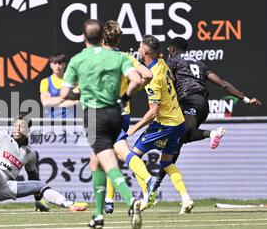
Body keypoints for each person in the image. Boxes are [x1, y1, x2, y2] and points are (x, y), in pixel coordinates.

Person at [151, 37, 263, 199]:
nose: (169, 52)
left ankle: (212, 134)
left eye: (169, 50)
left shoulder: (173, 61)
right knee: (177, 141)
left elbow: (164, 79)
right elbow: (223, 84)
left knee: (179, 135)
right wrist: (246, 99)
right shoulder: (199, 64)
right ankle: (155, 187)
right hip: (203, 105)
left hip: (190, 102)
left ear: (173, 49)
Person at [60, 19, 144, 229]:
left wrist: (76, 94)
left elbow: (66, 93)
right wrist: (125, 98)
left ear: (84, 37)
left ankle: (130, 200)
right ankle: (98, 216)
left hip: (96, 116)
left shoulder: (81, 59)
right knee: (96, 163)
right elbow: (140, 79)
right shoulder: (120, 57)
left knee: (109, 163)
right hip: (118, 114)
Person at [0, 116, 87, 212]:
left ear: (28, 130)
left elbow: (33, 177)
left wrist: (38, 200)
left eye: (22, 126)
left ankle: (70, 205)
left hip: (4, 188)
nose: (17, 129)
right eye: (15, 126)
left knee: (40, 184)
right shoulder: (2, 136)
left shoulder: (29, 153)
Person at [126, 35, 193, 214]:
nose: (139, 49)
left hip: (165, 124)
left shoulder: (153, 78)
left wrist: (135, 127)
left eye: (140, 46)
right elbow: (172, 78)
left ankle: (148, 196)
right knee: (166, 163)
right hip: (178, 121)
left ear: (146, 50)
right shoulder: (162, 64)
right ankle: (186, 198)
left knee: (132, 156)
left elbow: (153, 111)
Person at [100, 20, 157, 214]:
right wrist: (132, 91)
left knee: (121, 153)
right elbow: (147, 75)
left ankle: (149, 179)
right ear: (118, 39)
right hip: (124, 114)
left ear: (102, 39)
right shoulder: (125, 57)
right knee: (113, 157)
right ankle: (108, 200)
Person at [39, 53, 79, 119]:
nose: (57, 66)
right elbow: (46, 103)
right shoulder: (45, 82)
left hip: (71, 121)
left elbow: (77, 102)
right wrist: (66, 97)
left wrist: (55, 102)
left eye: (60, 63)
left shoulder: (74, 81)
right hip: (52, 121)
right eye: (55, 63)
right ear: (51, 65)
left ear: (64, 65)